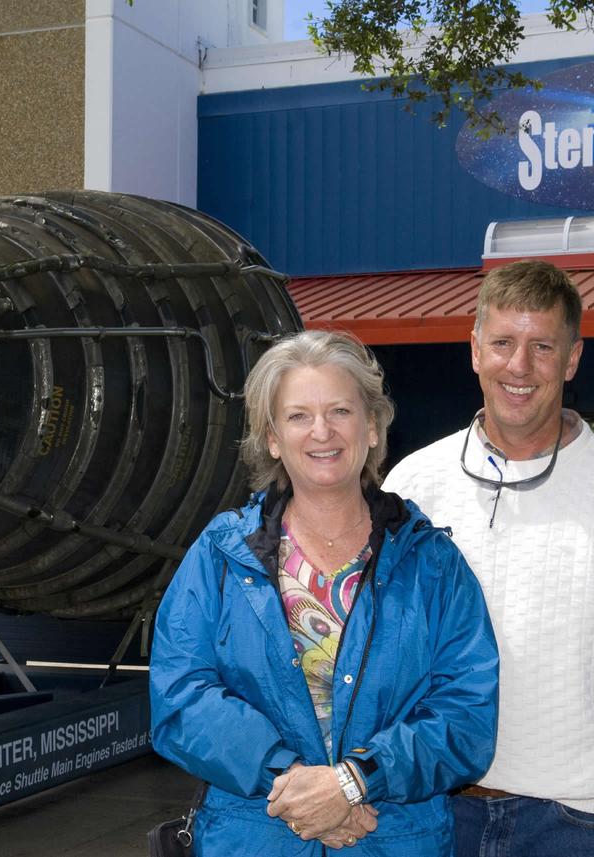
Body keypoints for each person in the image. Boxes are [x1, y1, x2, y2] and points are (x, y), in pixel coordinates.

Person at [382, 259, 594, 857]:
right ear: (475, 349)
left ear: (573, 358)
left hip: (579, 822)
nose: (520, 366)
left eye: (542, 346)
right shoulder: (413, 485)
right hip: (432, 810)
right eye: (503, 342)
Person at [150, 330, 499, 855]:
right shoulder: (220, 556)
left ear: (373, 426)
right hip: (255, 837)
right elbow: (179, 696)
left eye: (340, 410)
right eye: (297, 416)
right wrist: (292, 783)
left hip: (393, 837)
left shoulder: (432, 564)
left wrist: (355, 782)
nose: (321, 431)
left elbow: (466, 714)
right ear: (271, 438)